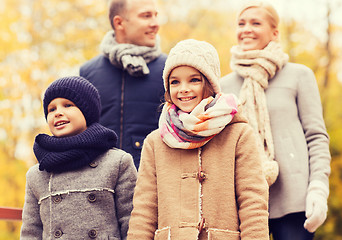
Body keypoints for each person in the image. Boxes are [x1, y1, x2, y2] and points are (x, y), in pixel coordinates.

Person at [126, 39, 269, 240]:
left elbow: (253, 202)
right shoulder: (155, 142)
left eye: (194, 80)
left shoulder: (238, 134)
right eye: (175, 81)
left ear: (210, 84)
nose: (183, 89)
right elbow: (144, 210)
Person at [220, 1, 331, 239]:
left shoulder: (299, 75)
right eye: (241, 23)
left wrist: (318, 188)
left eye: (255, 23)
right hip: (243, 201)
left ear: (274, 33)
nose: (246, 29)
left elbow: (316, 137)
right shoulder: (223, 86)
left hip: (294, 201)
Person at [20, 76, 137, 239]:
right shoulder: (37, 173)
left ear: (87, 111)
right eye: (51, 109)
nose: (58, 112)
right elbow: (30, 232)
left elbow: (131, 223)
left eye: (68, 105)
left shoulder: (117, 162)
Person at [80, 0, 167, 169]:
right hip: (100, 183)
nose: (156, 24)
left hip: (152, 181)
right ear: (119, 23)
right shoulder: (87, 72)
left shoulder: (170, 69)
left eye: (156, 15)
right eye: (146, 16)